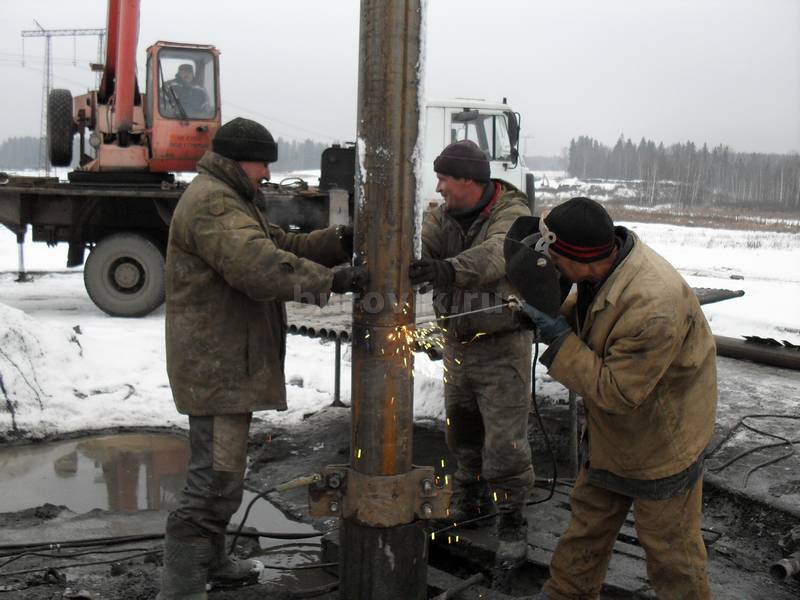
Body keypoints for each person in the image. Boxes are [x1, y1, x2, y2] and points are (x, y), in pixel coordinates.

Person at [158, 117, 366, 600]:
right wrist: (330, 282)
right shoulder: (212, 202)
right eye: (262, 162)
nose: (268, 173)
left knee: (221, 475)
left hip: (230, 361)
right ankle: (182, 589)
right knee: (214, 483)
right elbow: (258, 265)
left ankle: (214, 564)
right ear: (238, 160)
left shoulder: (233, 197)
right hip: (218, 366)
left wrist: (340, 243)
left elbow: (280, 245)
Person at [517, 197, 717, 600]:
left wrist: (558, 338)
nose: (552, 268)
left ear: (578, 256)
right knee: (586, 532)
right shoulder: (603, 267)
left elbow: (618, 391)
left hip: (661, 440)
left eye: (555, 261)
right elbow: (596, 312)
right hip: (613, 438)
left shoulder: (653, 306)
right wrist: (554, 311)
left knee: (671, 554)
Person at [410, 139, 534, 566]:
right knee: (462, 432)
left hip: (502, 347)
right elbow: (421, 242)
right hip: (458, 344)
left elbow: (497, 255)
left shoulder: (512, 215)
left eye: (445, 179)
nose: (439, 187)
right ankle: (472, 500)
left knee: (505, 444)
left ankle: (512, 519)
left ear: (468, 180)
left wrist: (448, 270)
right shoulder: (442, 216)